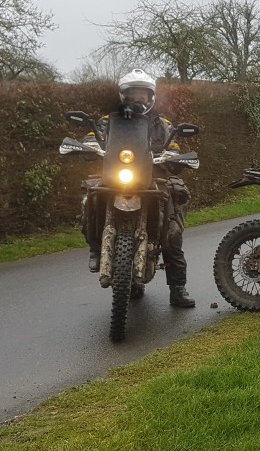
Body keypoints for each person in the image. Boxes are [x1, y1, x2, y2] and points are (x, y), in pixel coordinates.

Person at [80, 68, 196, 308]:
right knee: (90, 194)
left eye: (142, 95)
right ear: (123, 96)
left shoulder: (162, 124)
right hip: (115, 176)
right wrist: (87, 145)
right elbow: (92, 137)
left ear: (150, 97)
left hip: (155, 178)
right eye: (132, 94)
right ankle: (95, 246)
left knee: (172, 230)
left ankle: (178, 288)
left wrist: (175, 157)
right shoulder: (109, 121)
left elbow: (174, 146)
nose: (137, 99)